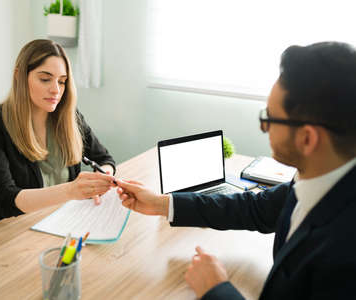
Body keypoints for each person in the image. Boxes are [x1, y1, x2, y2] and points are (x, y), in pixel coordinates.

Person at [116, 41, 356, 299]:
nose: (263, 128)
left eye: (269, 119)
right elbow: (252, 209)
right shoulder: (316, 182)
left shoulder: (344, 252)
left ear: (308, 139)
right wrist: (161, 204)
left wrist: (217, 289)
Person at [0, 39, 116, 237]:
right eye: (45, 79)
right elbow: (4, 199)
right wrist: (71, 191)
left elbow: (104, 159)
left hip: (52, 226)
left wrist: (102, 180)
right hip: (3, 232)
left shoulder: (69, 117)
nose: (56, 90)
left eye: (61, 81)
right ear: (19, 76)